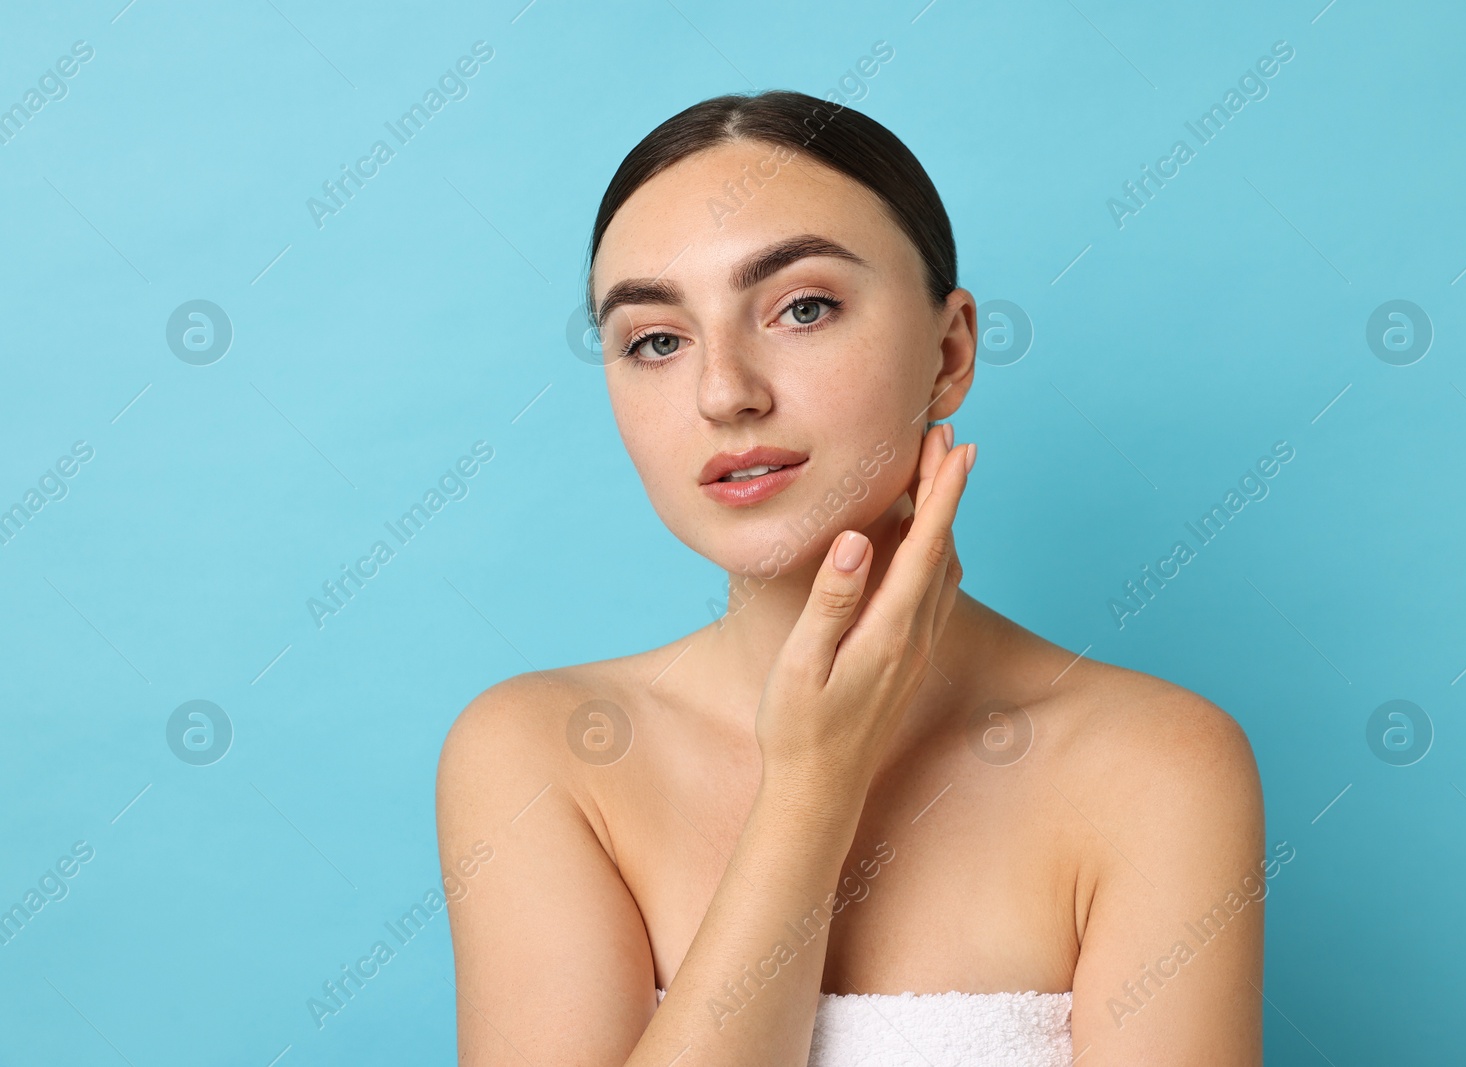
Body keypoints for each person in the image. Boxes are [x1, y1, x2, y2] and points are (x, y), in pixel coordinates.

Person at [436, 89, 1264, 1066]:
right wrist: (809, 784)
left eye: (802, 307)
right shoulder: (542, 756)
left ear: (949, 352)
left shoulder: (1157, 765)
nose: (724, 392)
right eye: (656, 338)